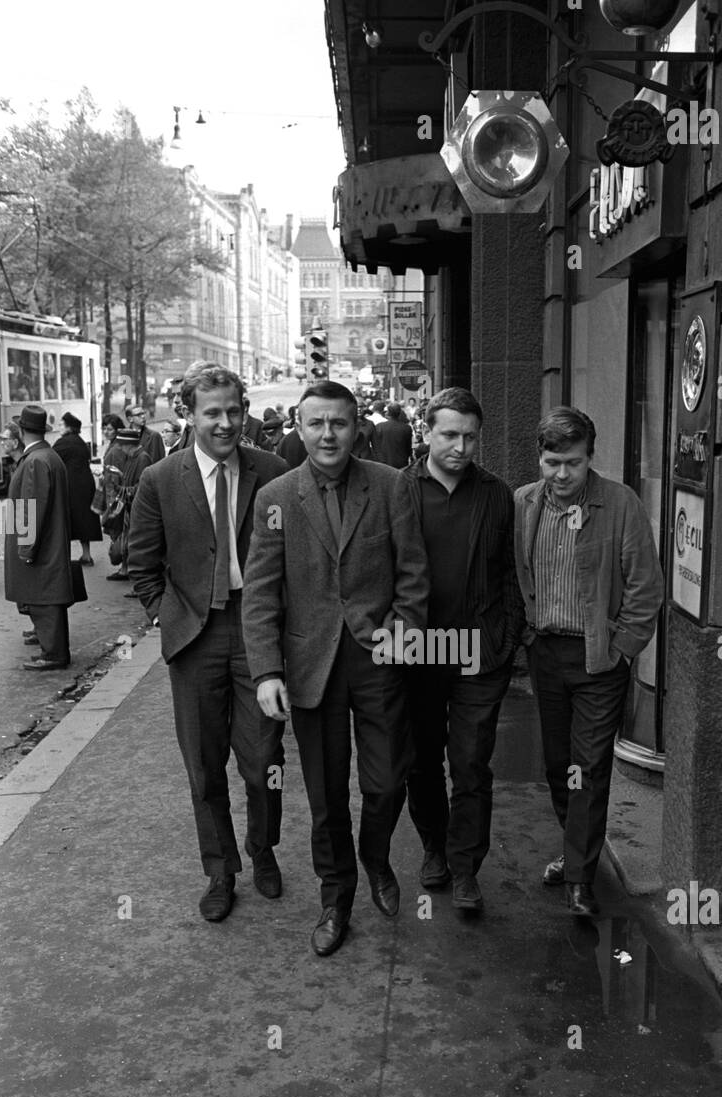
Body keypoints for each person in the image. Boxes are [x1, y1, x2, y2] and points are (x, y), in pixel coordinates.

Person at [242, 380, 429, 958]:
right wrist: (268, 670)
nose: (328, 435)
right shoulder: (275, 497)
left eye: (339, 423)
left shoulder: (392, 486)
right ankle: (336, 895)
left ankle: (376, 857)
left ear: (358, 428)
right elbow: (261, 593)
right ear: (299, 428)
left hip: (379, 659)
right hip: (309, 664)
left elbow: (413, 577)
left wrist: (400, 640)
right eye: (316, 423)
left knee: (387, 779)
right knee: (325, 794)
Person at [128, 363, 290, 923]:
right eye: (212, 413)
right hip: (195, 638)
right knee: (203, 765)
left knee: (264, 756)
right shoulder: (159, 479)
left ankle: (262, 849)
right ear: (189, 415)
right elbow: (141, 564)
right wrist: (169, 618)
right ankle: (220, 870)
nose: (225, 423)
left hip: (259, 632)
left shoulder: (272, 470)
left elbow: (295, 553)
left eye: (233, 411)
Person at [515, 406, 663, 917]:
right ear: (540, 457)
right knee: (559, 767)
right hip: (546, 652)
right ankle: (576, 847)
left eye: (572, 463)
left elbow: (646, 586)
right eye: (552, 461)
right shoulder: (524, 503)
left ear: (589, 458)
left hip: (599, 657)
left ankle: (580, 875)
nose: (561, 474)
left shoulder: (619, 503)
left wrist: (622, 649)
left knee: (590, 765)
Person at [401, 387, 525, 912]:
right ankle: (434, 847)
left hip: (479, 652)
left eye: (470, 437)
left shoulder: (496, 493)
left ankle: (467, 865)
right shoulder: (398, 490)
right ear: (426, 432)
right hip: (418, 651)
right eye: (449, 434)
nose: (460, 447)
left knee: (472, 763)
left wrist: (507, 635)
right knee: (422, 760)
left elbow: (510, 570)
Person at [3, 405, 74, 671]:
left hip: (41, 547)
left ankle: (53, 653)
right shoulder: (48, 455)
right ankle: (51, 649)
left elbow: (30, 508)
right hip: (50, 542)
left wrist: (26, 548)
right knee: (47, 598)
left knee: (44, 598)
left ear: (21, 431)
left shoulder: (35, 460)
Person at [103, 424, 152, 582]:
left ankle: (138, 582)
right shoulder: (133, 458)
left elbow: (141, 487)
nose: (121, 449)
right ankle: (125, 571)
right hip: (129, 507)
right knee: (125, 542)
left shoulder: (142, 458)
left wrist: (119, 488)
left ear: (128, 445)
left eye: (122, 446)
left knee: (135, 546)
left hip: (137, 509)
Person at [54, 411, 101, 565]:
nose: (59, 427)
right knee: (84, 520)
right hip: (85, 485)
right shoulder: (80, 441)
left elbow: (51, 459)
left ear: (69, 427)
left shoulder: (64, 442)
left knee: (66, 521)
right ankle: (86, 555)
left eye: (61, 424)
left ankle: (64, 558)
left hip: (71, 487)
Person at [374, 401, 413, 469]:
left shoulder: (379, 427)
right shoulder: (406, 428)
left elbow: (376, 447)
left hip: (384, 463)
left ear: (388, 413)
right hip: (401, 464)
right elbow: (408, 448)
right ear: (399, 413)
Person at [0, 421, 24, 490]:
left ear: (15, 443)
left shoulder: (26, 466)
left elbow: (30, 499)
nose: (2, 443)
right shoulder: (15, 466)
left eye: (5, 439)